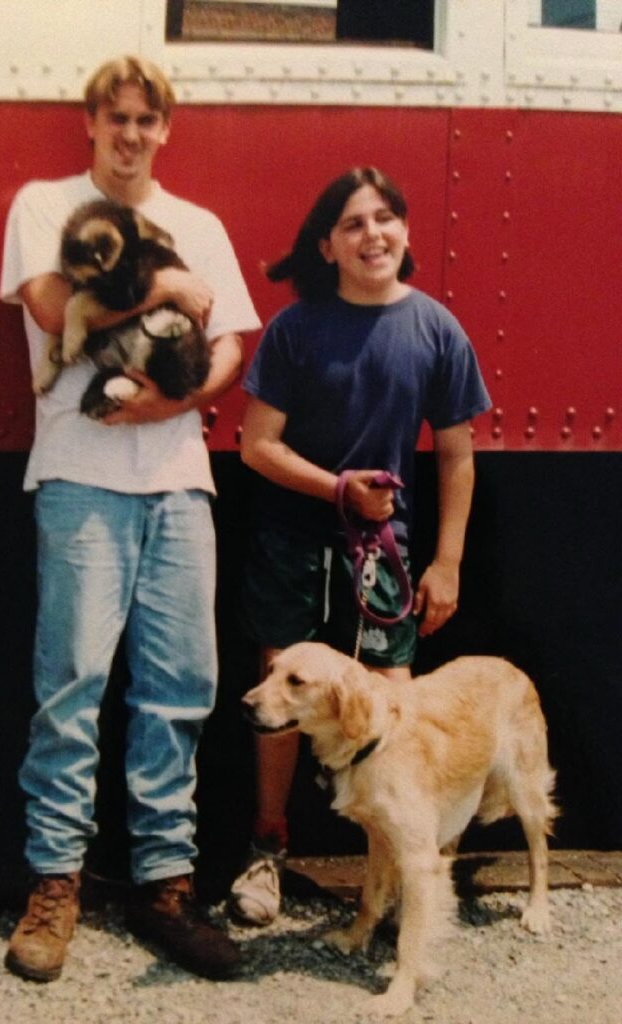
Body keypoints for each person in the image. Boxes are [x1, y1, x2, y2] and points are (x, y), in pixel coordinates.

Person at [0, 55, 260, 982]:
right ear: (91, 123)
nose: (131, 134)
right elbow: (49, 305)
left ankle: (164, 887)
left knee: (179, 689)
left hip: (181, 480)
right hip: (79, 474)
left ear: (165, 129)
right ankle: (54, 884)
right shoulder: (46, 205)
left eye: (147, 120)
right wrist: (166, 290)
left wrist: (173, 403)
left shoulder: (201, 224)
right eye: (116, 118)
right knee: (71, 686)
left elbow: (230, 343)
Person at [228, 166, 491, 926]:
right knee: (280, 696)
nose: (372, 234)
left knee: (392, 704)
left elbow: (457, 456)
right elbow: (256, 445)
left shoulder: (437, 329)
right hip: (292, 544)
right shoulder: (295, 330)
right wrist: (338, 489)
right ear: (327, 245)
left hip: (384, 554)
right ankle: (267, 850)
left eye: (384, 218)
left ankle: (398, 871)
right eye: (352, 223)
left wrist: (447, 563)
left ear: (405, 231)